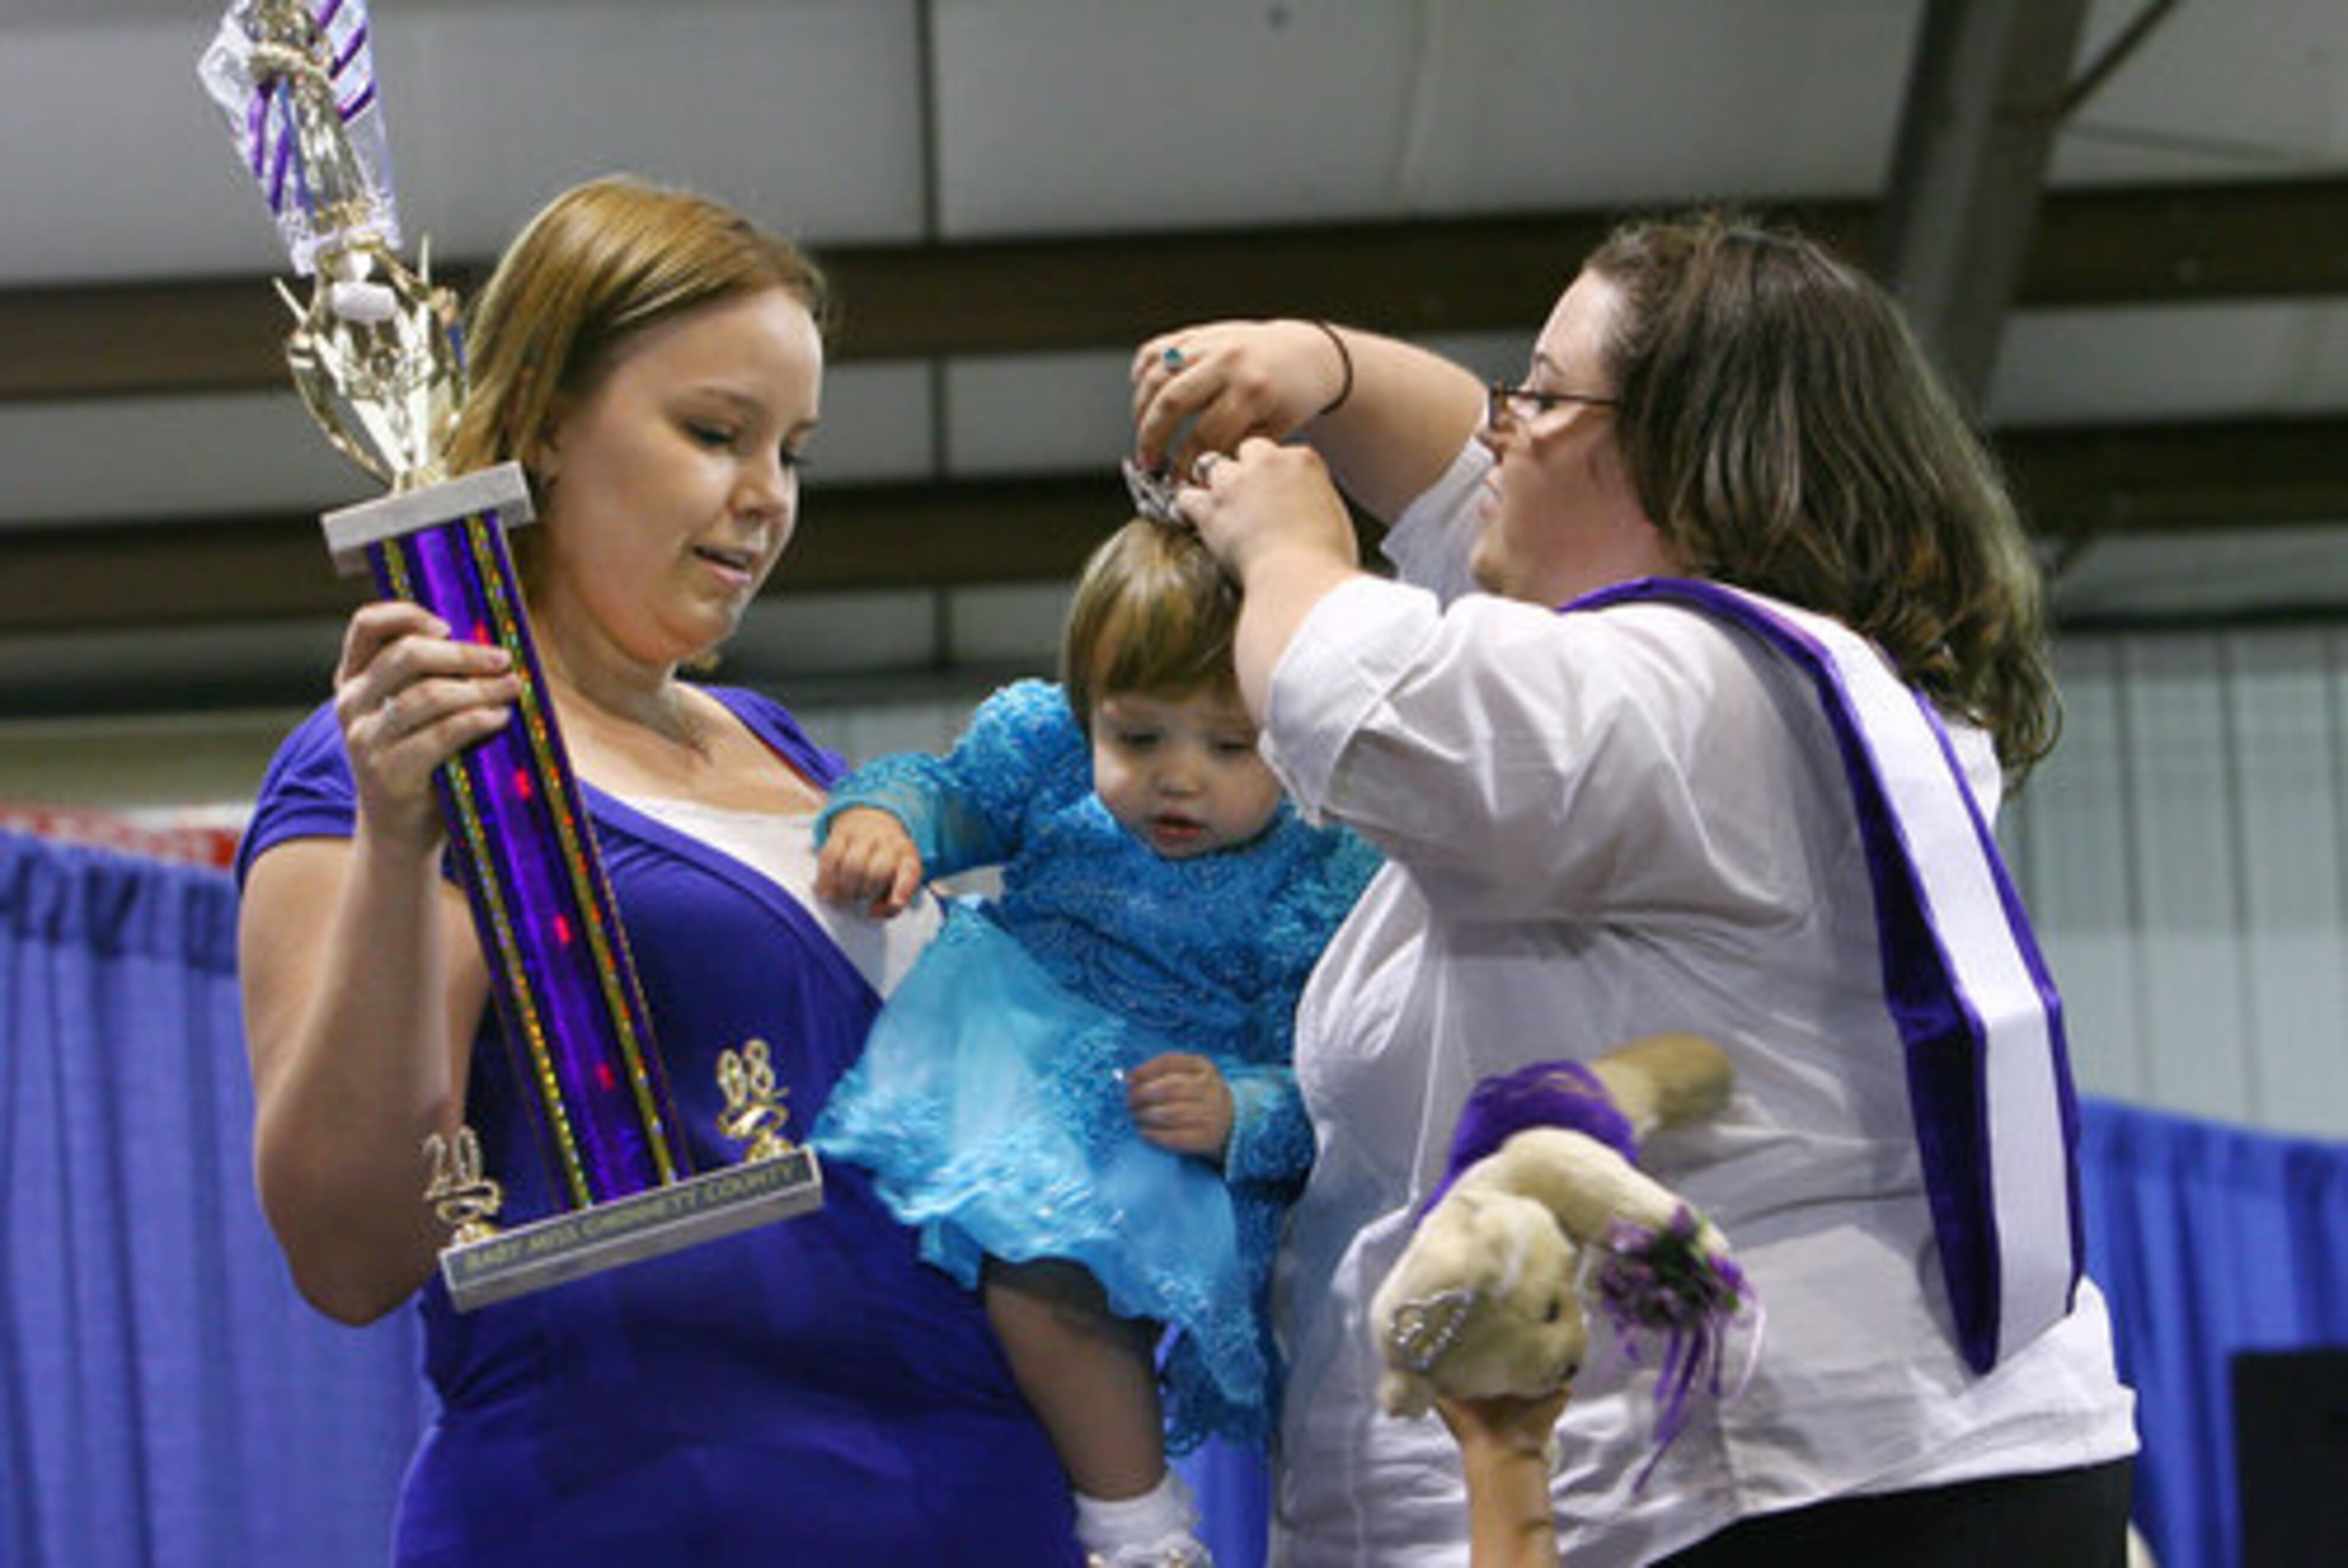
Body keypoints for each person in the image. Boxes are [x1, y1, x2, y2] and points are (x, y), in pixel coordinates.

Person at [1127, 210, 2139, 1566]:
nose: (1500, 428)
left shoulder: (1697, 693)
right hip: (1884, 1469)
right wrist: (1323, 364)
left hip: (1784, 1495)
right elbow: (1458, 485)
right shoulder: (1787, 691)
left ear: (1690, 458)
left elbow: (1355, 693)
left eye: (1542, 396)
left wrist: (1287, 544)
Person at [234, 174, 1085, 1566]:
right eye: (713, 433)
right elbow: (348, 1246)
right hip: (641, 1510)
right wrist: (396, 845)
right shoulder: (396, 760)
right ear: (544, 422)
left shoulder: (785, 747)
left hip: (970, 1499)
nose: (767, 500)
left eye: (792, 452)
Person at [810, 516, 1380, 1568]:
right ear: (1086, 712)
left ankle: (1143, 1528)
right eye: (1138, 736)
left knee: (1052, 1273)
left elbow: (1333, 1080)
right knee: (952, 1252)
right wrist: (887, 820)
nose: (1179, 778)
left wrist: (1240, 1108)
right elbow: (951, 792)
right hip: (1015, 1052)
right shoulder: (1048, 759)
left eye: (1230, 746)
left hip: (1160, 1119)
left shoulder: (1318, 868)